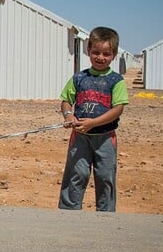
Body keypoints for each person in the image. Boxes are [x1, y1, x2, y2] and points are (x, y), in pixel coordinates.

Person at [58, 26, 129, 212]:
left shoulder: (116, 80)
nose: (100, 57)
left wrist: (93, 123)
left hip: (105, 138)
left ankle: (106, 218)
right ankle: (68, 215)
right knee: (76, 175)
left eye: (106, 53)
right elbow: (66, 100)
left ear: (113, 54)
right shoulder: (79, 78)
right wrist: (69, 115)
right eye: (96, 52)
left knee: (105, 177)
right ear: (88, 50)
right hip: (79, 137)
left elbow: (118, 109)